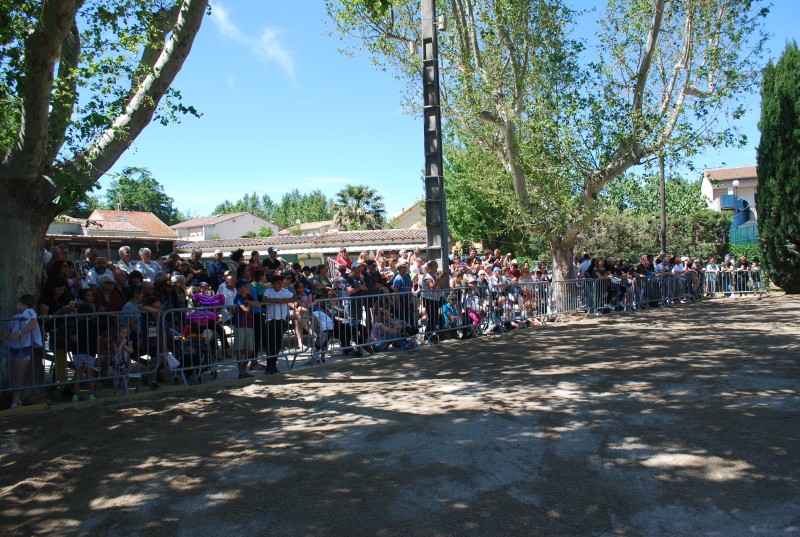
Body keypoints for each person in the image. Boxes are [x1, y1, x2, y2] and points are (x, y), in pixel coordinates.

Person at [7, 294, 42, 408]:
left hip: (24, 348)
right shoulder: (15, 316)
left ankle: (15, 402)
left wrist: (18, 333)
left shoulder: (29, 312)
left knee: (18, 376)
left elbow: (33, 324)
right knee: (13, 376)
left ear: (21, 302)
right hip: (13, 348)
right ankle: (15, 400)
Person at [261, 274, 295, 374]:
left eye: (281, 283)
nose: (280, 285)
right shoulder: (268, 291)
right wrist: (277, 300)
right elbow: (264, 299)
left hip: (281, 319)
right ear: (273, 284)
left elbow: (295, 296)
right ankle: (268, 365)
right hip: (271, 319)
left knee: (277, 343)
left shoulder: (285, 291)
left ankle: (274, 364)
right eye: (278, 283)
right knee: (270, 344)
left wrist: (286, 300)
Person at [68, 304, 98, 401]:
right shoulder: (94, 324)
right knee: (90, 372)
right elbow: (97, 338)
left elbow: (74, 338)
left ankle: (75, 395)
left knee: (78, 372)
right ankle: (92, 394)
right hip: (90, 351)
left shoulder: (77, 324)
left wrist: (68, 333)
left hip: (78, 351)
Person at [233, 279, 259, 379]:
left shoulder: (248, 297)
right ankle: (241, 371)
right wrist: (250, 303)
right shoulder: (238, 297)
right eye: (245, 286)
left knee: (250, 349)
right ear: (240, 289)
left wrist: (248, 301)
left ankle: (244, 370)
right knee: (239, 349)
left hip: (249, 325)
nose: (248, 287)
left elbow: (258, 304)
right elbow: (246, 310)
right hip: (240, 325)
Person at [111, 325, 133, 396]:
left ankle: (125, 390)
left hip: (126, 362)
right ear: (118, 333)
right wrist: (122, 343)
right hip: (117, 362)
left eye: (126, 333)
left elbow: (131, 350)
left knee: (126, 377)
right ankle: (116, 392)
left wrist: (124, 345)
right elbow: (118, 352)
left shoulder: (128, 340)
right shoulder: (114, 342)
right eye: (123, 332)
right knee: (116, 378)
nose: (125, 334)